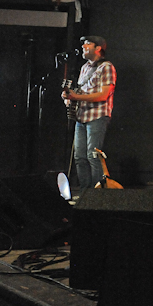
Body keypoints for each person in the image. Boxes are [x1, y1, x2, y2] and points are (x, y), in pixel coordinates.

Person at [61, 36, 117, 198]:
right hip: (81, 117)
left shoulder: (107, 67)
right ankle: (85, 194)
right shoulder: (85, 67)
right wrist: (68, 98)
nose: (83, 46)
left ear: (98, 48)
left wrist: (76, 97)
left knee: (93, 156)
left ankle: (97, 195)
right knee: (79, 157)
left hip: (97, 116)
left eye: (87, 43)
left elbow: (103, 95)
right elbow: (81, 92)